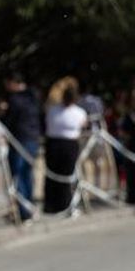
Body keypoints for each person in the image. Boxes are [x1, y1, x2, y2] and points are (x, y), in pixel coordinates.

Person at [0, 72, 42, 220]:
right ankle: (28, 207)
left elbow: (8, 121)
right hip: (33, 139)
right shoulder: (33, 97)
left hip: (19, 140)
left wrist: (2, 112)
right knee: (27, 175)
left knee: (18, 175)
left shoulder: (15, 100)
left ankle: (24, 211)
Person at [43, 77, 88, 214]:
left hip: (54, 144)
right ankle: (64, 205)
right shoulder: (79, 112)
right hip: (68, 144)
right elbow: (83, 125)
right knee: (65, 176)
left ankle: (52, 206)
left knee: (54, 176)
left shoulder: (52, 110)